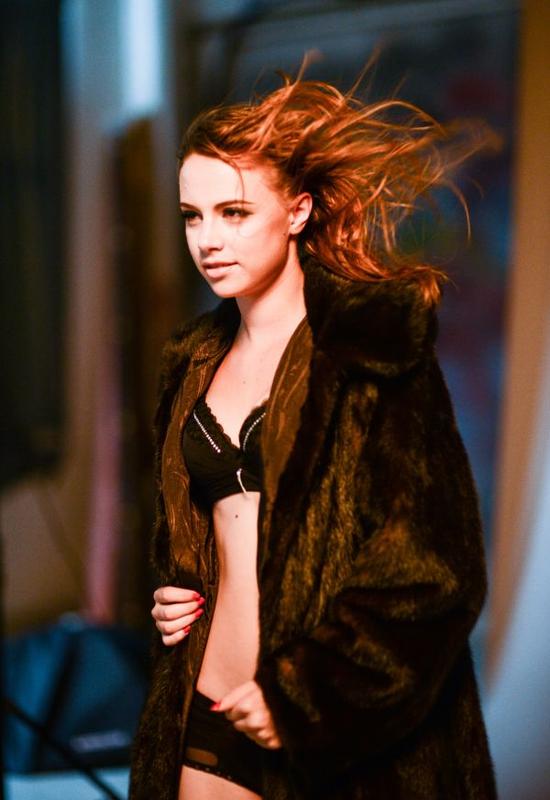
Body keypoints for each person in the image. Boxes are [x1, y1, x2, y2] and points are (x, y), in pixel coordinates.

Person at [129, 73, 497, 800]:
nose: (208, 240)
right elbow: (202, 534)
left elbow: (436, 572)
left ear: (297, 210)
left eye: (235, 212)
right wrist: (174, 590)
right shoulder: (191, 361)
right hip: (206, 705)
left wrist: (309, 696)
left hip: (331, 730)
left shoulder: (370, 347)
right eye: (192, 216)